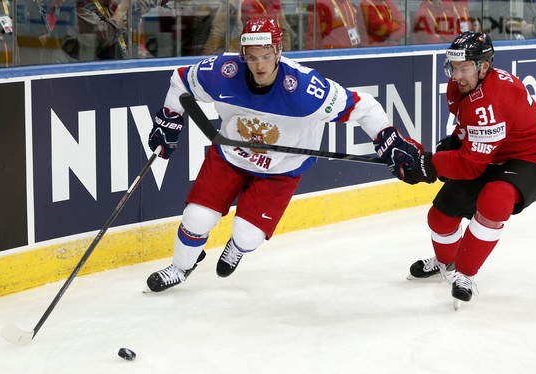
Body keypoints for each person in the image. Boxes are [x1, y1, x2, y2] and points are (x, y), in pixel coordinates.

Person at [144, 16, 407, 292]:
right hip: (230, 155)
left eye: (266, 56)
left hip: (281, 170)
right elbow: (181, 80)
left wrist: (388, 139)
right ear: (243, 53)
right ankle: (181, 266)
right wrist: (169, 119)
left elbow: (363, 107)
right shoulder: (225, 71)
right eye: (252, 56)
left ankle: (237, 246)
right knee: (196, 218)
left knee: (247, 237)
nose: (259, 65)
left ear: (278, 52)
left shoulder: (305, 89)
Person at [380, 31, 536, 308]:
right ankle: (446, 262)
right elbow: (469, 135)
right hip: (491, 154)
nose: (457, 75)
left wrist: (430, 165)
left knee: (496, 198)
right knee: (440, 217)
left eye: (464, 68)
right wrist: (447, 148)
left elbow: (469, 164)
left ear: (484, 67)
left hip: (531, 157)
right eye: (454, 68)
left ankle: (465, 274)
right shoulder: (460, 87)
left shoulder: (491, 99)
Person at [203, 0, 292, 55]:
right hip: (240, 57)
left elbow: (283, 30)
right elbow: (216, 35)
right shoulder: (232, 3)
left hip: (269, 59)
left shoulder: (273, 3)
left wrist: (283, 55)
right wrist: (206, 59)